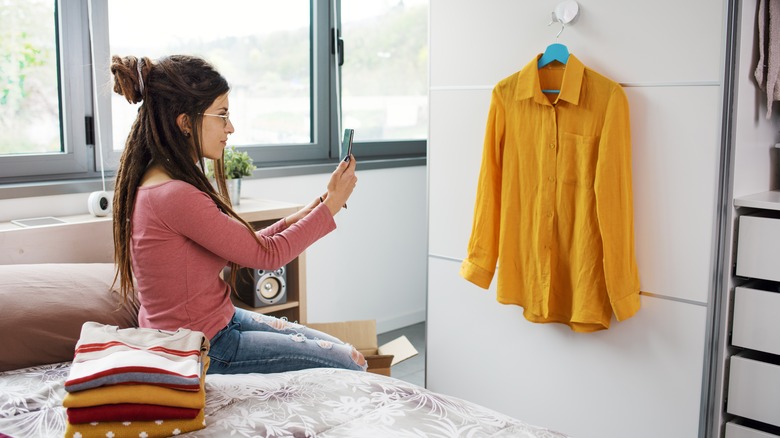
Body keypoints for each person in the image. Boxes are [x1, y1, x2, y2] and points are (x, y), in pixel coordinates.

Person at [109, 54, 366, 374]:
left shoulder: (161, 182)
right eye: (222, 115)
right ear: (186, 122)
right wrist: (330, 207)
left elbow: (246, 247)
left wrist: (319, 205)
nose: (230, 127)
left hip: (218, 321)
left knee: (346, 351)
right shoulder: (174, 195)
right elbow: (268, 256)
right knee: (349, 362)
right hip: (200, 346)